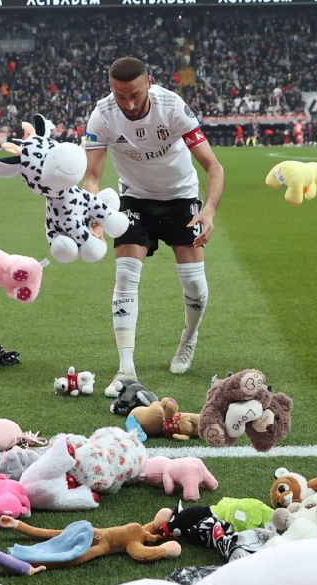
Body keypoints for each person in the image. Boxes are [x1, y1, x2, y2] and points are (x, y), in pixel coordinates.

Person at [81, 57, 225, 395]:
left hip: (181, 198)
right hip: (134, 200)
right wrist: (96, 214)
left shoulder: (172, 107)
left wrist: (209, 211)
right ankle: (126, 369)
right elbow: (91, 176)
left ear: (149, 82)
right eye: (120, 96)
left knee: (195, 288)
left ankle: (189, 337)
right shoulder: (102, 114)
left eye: (134, 95)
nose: (128, 104)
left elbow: (214, 167)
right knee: (126, 277)